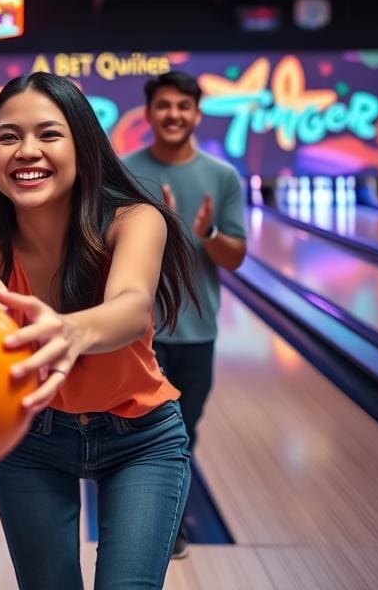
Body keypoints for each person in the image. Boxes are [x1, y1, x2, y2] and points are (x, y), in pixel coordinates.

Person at [0, 72, 199, 590]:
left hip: (141, 438)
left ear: (82, 143)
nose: (26, 151)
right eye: (8, 137)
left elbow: (130, 307)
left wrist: (69, 330)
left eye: (49, 134)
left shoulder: (135, 220)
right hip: (31, 441)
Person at [122, 70, 247, 559]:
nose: (173, 114)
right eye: (163, 105)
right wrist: (159, 228)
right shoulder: (126, 172)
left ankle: (162, 517)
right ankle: (162, 528)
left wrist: (206, 232)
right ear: (149, 112)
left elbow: (234, 257)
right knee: (145, 433)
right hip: (138, 331)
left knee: (183, 430)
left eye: (183, 106)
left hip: (198, 330)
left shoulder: (223, 177)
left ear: (196, 113)